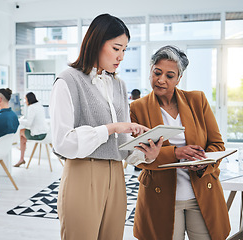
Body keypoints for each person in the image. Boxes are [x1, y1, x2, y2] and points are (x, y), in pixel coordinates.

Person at [50, 13, 163, 240]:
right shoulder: (67, 81)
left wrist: (146, 155)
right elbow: (63, 143)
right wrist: (111, 128)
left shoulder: (119, 85)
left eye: (125, 50)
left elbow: (122, 147)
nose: (121, 56)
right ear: (96, 42)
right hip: (82, 174)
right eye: (116, 48)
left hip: (117, 176)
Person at [130, 45, 230, 240]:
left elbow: (217, 145)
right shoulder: (137, 108)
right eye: (157, 73)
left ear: (179, 78)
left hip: (201, 193)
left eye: (169, 75)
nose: (161, 80)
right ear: (150, 70)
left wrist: (203, 164)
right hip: (160, 197)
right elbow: (137, 156)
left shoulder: (197, 100)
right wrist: (176, 153)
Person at [14, 92, 49, 167]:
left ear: (29, 99)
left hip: (39, 135)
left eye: (25, 99)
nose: (24, 101)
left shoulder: (32, 107)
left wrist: (19, 121)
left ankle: (22, 155)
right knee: (23, 133)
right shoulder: (39, 105)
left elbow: (29, 123)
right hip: (45, 133)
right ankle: (23, 147)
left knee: (21, 132)